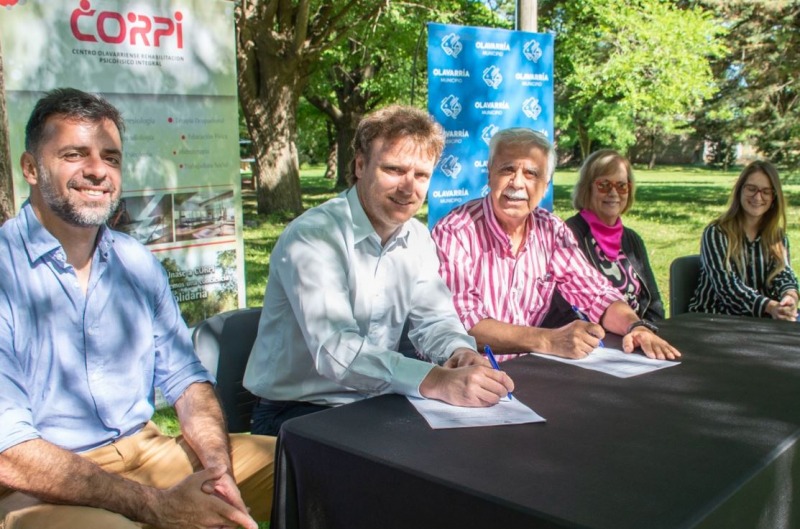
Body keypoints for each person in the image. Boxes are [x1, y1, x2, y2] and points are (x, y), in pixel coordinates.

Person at [0, 88, 274, 529]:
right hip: (38, 484)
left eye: (110, 158)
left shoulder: (134, 260)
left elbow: (187, 380)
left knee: (293, 462)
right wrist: (156, 506)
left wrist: (217, 470)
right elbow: (9, 452)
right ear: (31, 168)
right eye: (74, 154)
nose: (97, 171)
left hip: (147, 452)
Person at [244, 105, 514, 436]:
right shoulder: (313, 237)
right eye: (394, 170)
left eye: (421, 175)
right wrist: (436, 380)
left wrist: (459, 352)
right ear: (360, 165)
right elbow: (336, 349)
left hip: (375, 401)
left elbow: (435, 319)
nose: (408, 188)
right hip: (298, 412)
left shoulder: (416, 237)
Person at [431, 128, 680, 361]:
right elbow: (464, 324)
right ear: (489, 174)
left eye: (531, 174)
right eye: (507, 170)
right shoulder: (456, 230)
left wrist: (636, 326)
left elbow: (596, 293)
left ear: (545, 185)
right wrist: (548, 340)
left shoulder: (551, 229)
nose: (517, 183)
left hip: (531, 372)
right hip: (468, 374)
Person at [544, 149, 664, 327]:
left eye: (621, 186)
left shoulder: (632, 239)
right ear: (587, 188)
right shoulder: (568, 235)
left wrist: (652, 332)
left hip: (636, 334)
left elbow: (654, 304)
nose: (614, 193)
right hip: (595, 340)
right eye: (604, 185)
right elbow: (567, 310)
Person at [688, 160, 799, 319]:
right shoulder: (716, 233)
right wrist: (769, 306)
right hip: (715, 318)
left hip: (761, 321)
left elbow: (782, 274)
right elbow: (726, 287)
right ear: (740, 190)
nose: (758, 197)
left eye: (766, 191)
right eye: (751, 189)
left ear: (774, 197)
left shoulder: (777, 236)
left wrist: (790, 296)